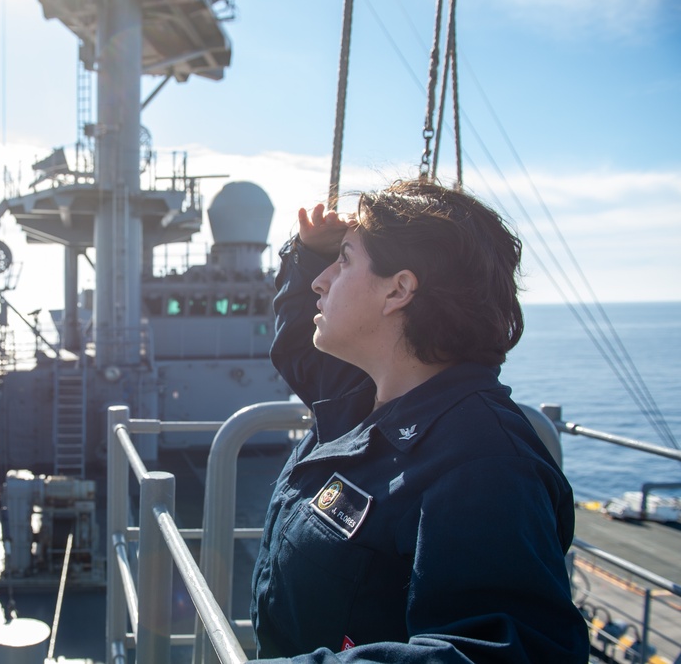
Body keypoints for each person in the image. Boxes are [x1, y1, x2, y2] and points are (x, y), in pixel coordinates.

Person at [250, 179, 590, 663]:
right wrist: (307, 251)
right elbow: (298, 347)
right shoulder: (359, 400)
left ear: (399, 290)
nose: (319, 282)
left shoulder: (483, 466)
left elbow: (504, 651)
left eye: (343, 261)